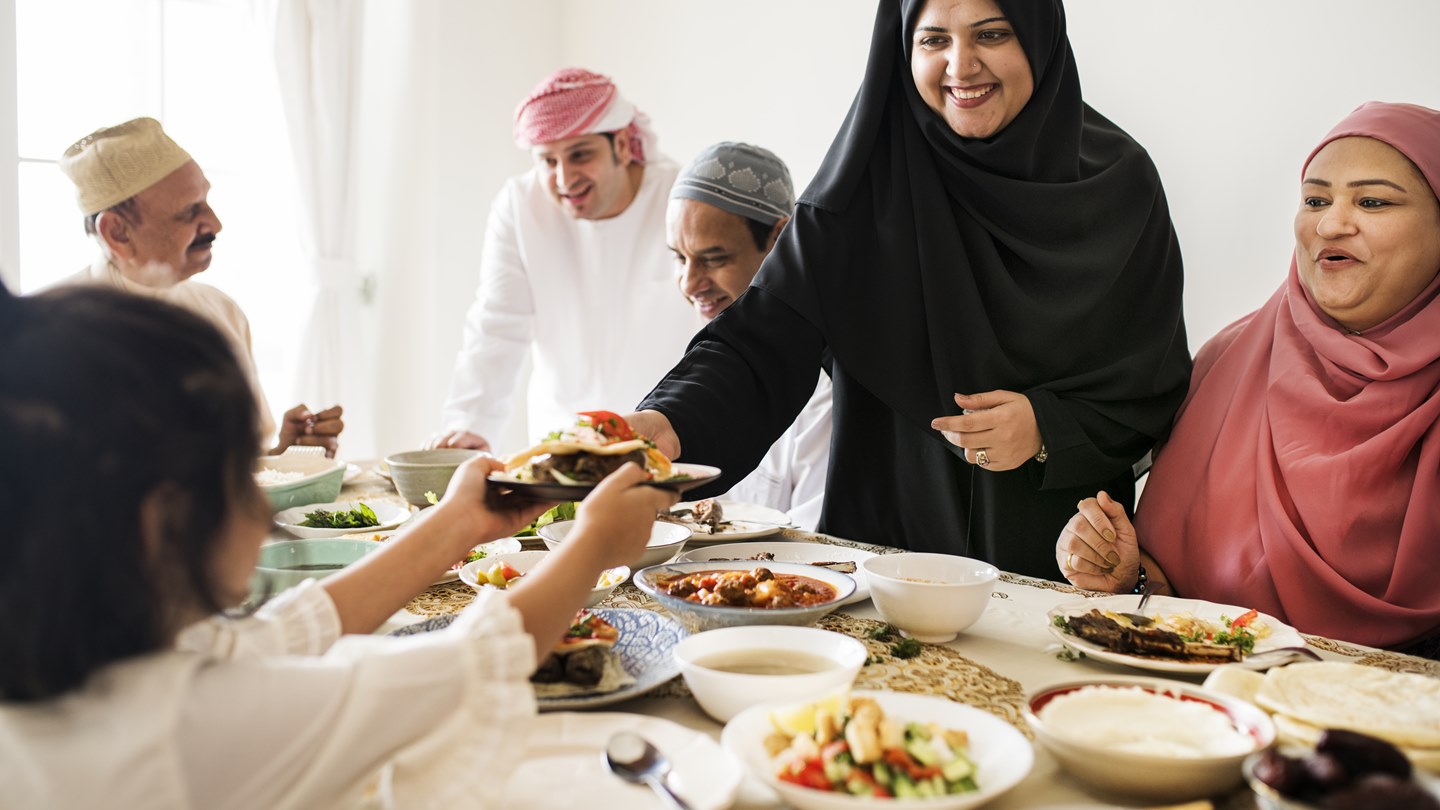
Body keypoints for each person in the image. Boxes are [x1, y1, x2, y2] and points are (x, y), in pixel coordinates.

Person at [0, 279, 676, 807]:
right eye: (243, 473)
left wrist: (456, 523)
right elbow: (467, 663)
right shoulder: (187, 737)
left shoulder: (94, 667)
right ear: (163, 521)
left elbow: (276, 634)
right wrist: (592, 546)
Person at [627, 0, 1191, 579]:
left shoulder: (1119, 186)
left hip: (1058, 557)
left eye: (991, 34)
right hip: (888, 557)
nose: (961, 65)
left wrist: (1048, 428)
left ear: (1039, 37)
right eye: (933, 41)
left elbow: (1151, 379)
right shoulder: (858, 191)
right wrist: (669, 425)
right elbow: (761, 344)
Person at [1057, 101, 1440, 656]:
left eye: (1373, 201)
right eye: (1315, 199)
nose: (1331, 223)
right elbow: (1172, 591)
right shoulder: (1230, 362)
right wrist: (1123, 576)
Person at [432, 68, 702, 453]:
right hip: (561, 443)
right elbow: (496, 325)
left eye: (580, 155)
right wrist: (471, 423)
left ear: (623, 145)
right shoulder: (519, 206)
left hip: (669, 440)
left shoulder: (682, 200)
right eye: (548, 161)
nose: (564, 178)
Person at [55, 117, 344, 457]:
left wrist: (286, 452)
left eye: (205, 201)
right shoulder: (52, 335)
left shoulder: (222, 311)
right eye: (190, 212)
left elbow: (234, 467)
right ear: (117, 233)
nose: (215, 223)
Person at [667, 142, 831, 529]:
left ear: (779, 239)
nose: (690, 283)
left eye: (714, 258)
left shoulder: (827, 389)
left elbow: (819, 550)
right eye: (679, 257)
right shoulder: (694, 360)